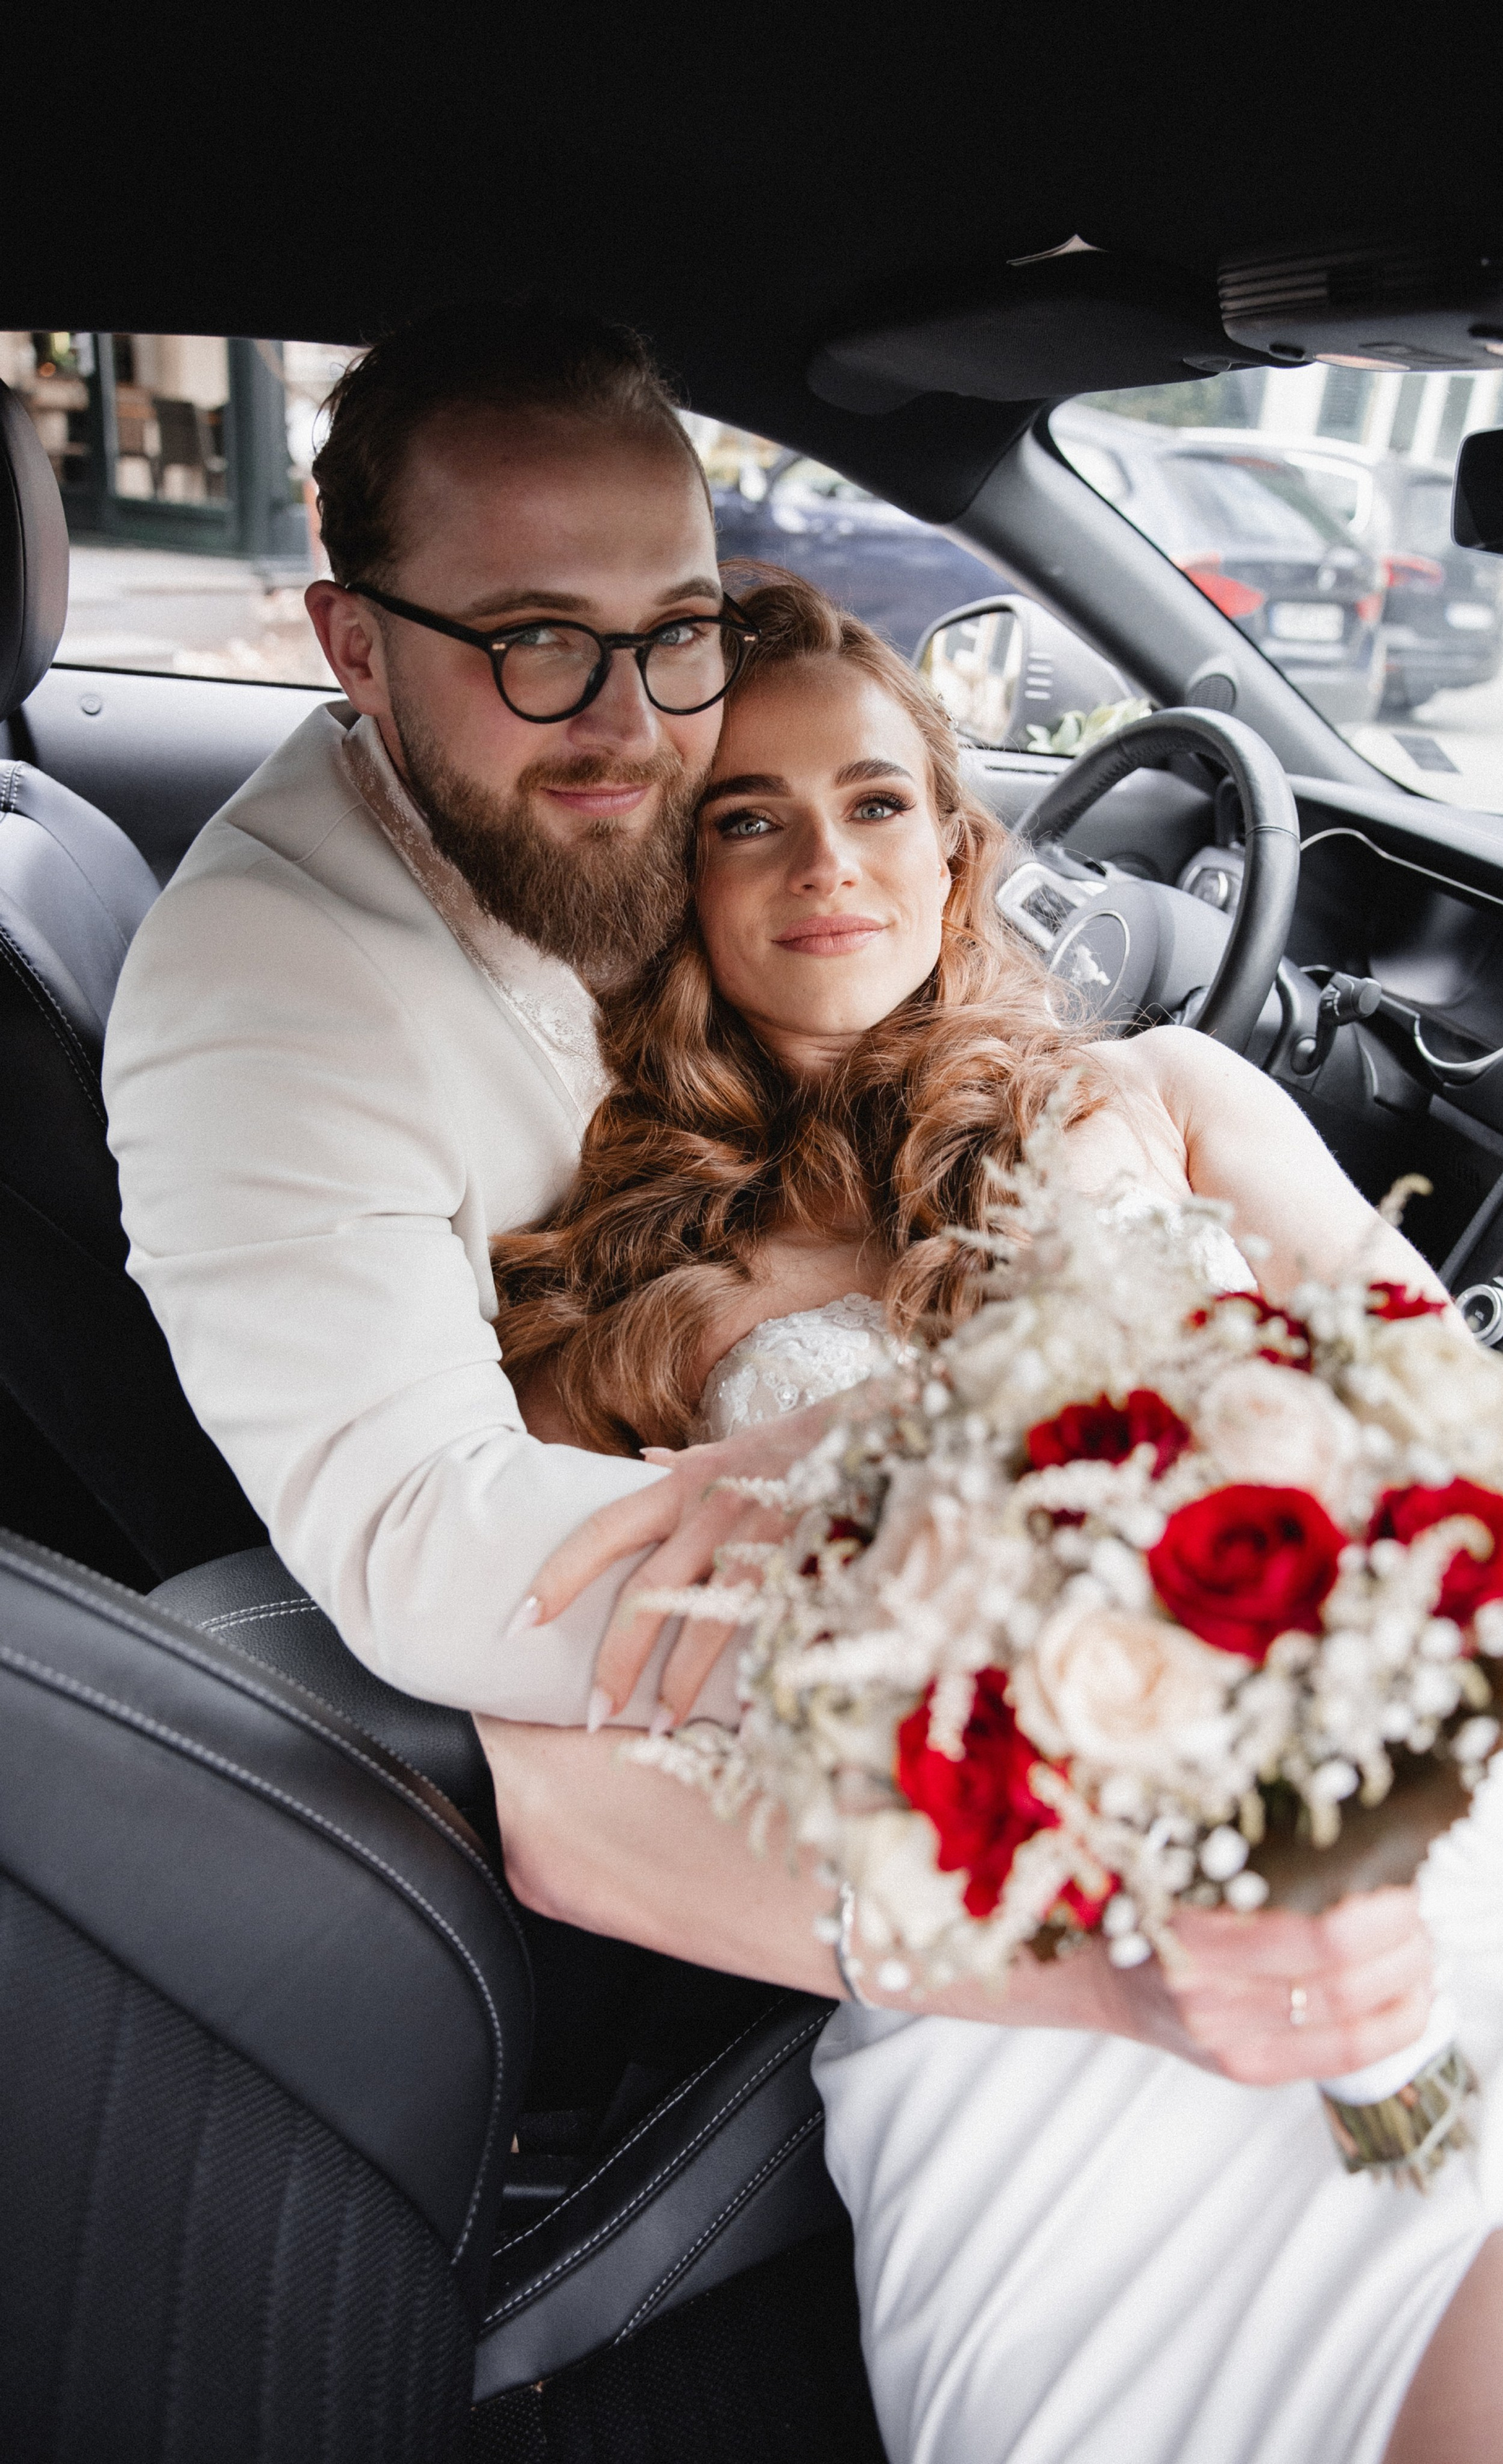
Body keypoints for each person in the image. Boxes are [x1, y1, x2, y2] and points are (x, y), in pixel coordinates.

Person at [103, 307, 1424, 2100]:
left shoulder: (1078, 1069)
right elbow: (430, 1547)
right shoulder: (261, 999)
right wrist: (998, 1557)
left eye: (677, 633)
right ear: (352, 643)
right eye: (537, 641)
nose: (635, 728)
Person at [480, 573, 1503, 2464]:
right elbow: (560, 1811)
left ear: (957, 852)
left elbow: (1488, 1470)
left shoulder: (1166, 1095)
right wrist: (1101, 1969)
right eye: (744, 821)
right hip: (1030, 2017)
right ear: (672, 889)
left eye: (873, 803)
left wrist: (1353, 1723)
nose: (822, 865)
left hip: (1446, 1863)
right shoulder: (621, 1321)